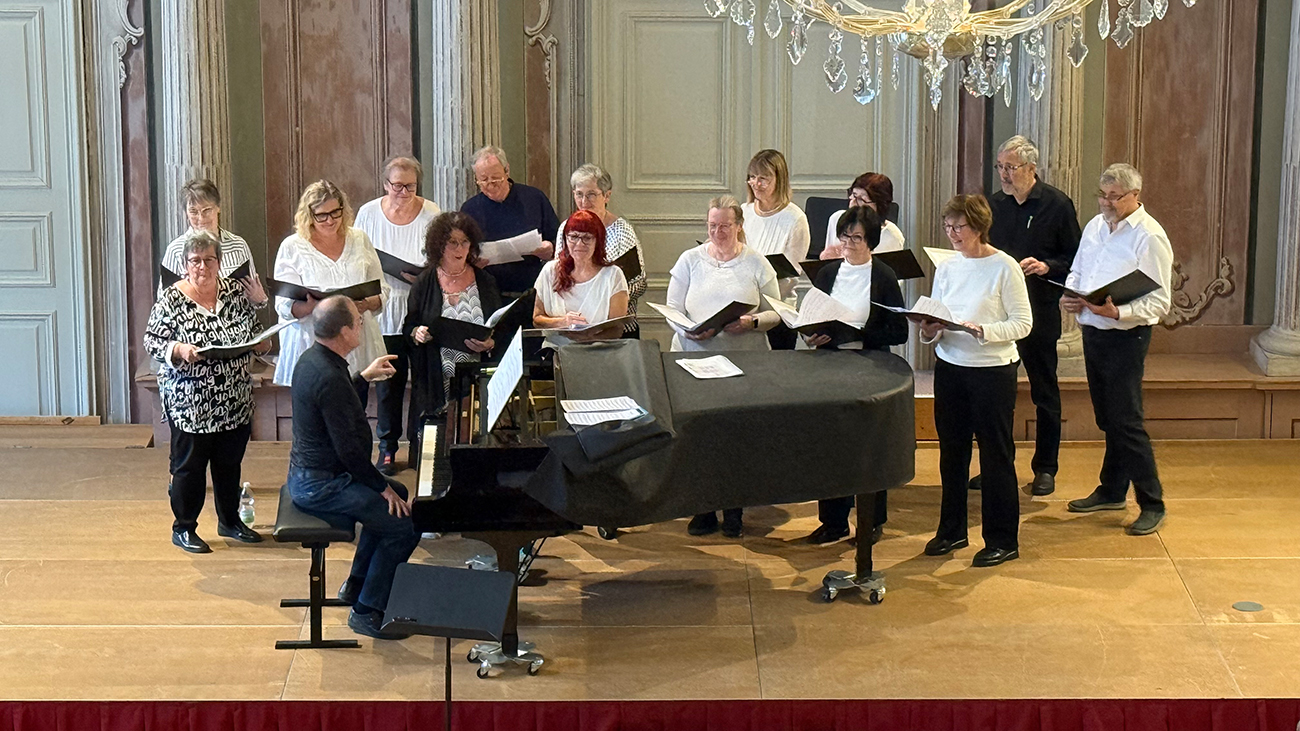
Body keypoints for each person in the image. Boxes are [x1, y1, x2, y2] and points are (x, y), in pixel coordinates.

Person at [287, 296, 420, 640]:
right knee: (404, 525)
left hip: (316, 474)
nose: (361, 324)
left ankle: (357, 584)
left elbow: (335, 403)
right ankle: (366, 611)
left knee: (397, 496)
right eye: (358, 321)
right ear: (344, 331)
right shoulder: (328, 376)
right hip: (321, 485)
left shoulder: (314, 359)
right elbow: (349, 453)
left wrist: (363, 377)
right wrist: (381, 487)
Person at [920, 194, 1033, 568]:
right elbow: (938, 314)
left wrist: (982, 330)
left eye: (959, 226)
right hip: (951, 367)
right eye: (947, 226)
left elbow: (1023, 323)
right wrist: (930, 329)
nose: (952, 233)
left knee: (995, 454)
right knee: (952, 453)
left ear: (979, 227)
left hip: (992, 371)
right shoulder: (948, 267)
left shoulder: (1005, 267)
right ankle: (952, 530)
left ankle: (1002, 539)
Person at [1063, 164, 1174, 536]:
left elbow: (1159, 302)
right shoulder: (1095, 226)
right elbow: (1079, 270)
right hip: (1093, 332)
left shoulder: (1149, 236)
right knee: (1107, 418)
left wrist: (1119, 312)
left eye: (1115, 197)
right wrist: (1072, 294)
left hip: (1127, 336)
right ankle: (1112, 490)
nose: (1107, 203)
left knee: (1126, 421)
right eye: (1103, 195)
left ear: (1135, 196)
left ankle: (1152, 502)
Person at [144, 232, 270, 553]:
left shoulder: (234, 293)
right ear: (185, 264)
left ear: (219, 262)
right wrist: (179, 349)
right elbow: (152, 341)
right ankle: (184, 527)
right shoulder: (171, 298)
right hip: (191, 401)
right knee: (190, 468)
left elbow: (255, 332)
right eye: (196, 261)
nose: (202, 267)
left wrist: (262, 343)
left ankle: (230, 521)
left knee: (229, 465)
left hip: (234, 398)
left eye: (209, 260)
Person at [668, 195, 781, 538]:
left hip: (743, 363)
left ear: (739, 226)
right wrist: (689, 330)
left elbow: (778, 312)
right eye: (712, 226)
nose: (717, 232)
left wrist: (752, 321)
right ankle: (702, 508)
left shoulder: (756, 262)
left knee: (736, 437)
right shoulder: (690, 260)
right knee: (698, 435)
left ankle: (734, 509)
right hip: (695, 360)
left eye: (725, 226)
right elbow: (673, 309)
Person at [978, 135, 1082, 497]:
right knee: (998, 394)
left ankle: (1046, 468)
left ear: (1031, 168)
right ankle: (997, 466)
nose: (1004, 174)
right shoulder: (993, 205)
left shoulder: (1057, 204)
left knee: (1044, 391)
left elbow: (1075, 259)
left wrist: (1047, 265)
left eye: (1011, 167)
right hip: (999, 312)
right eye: (1001, 167)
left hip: (1038, 309)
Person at [802, 206, 909, 545]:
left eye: (857, 238)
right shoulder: (827, 274)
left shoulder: (884, 276)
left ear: (871, 241)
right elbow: (811, 318)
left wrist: (862, 333)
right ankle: (833, 521)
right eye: (844, 236)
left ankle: (872, 520)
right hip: (831, 366)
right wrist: (812, 336)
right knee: (830, 443)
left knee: (869, 445)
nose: (848, 243)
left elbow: (900, 331)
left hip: (870, 368)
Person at [354, 156, 441, 475]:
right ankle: (387, 448)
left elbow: (441, 258)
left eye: (410, 186)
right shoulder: (368, 214)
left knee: (424, 383)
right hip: (383, 312)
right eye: (397, 186)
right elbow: (358, 258)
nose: (403, 192)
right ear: (385, 184)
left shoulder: (432, 213)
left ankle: (421, 447)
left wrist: (423, 274)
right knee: (388, 384)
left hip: (420, 311)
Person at [272, 180, 389, 404]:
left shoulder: (359, 239)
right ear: (309, 215)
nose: (330, 220)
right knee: (315, 415)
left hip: (353, 342)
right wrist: (312, 306)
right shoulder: (293, 246)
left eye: (336, 212)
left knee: (354, 410)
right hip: (312, 343)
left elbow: (382, 289)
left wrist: (366, 303)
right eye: (322, 215)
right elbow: (284, 304)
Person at [403, 212, 501, 463]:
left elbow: (501, 327)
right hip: (436, 376)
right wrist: (417, 332)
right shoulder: (425, 282)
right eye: (452, 242)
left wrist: (491, 342)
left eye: (465, 242)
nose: (459, 249)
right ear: (439, 245)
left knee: (474, 451)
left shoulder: (485, 281)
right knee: (438, 449)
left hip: (476, 377)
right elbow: (409, 326)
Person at [557, 164, 646, 338]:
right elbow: (559, 273)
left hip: (616, 331)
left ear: (607, 196)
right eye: (579, 194)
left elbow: (640, 283)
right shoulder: (565, 229)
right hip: (575, 329)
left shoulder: (621, 232)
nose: (584, 202)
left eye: (591, 194)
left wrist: (605, 299)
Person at [460, 146, 559, 295]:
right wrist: (472, 263)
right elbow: (460, 253)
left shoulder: (533, 198)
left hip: (531, 290)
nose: (490, 184)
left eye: (495, 178)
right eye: (484, 180)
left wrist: (550, 249)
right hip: (488, 293)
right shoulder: (469, 209)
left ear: (507, 171)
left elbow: (559, 239)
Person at [741, 149, 811, 350]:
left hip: (778, 311)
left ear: (779, 180)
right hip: (744, 306)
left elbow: (790, 274)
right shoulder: (744, 211)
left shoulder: (795, 219)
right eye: (752, 177)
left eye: (763, 178)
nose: (756, 183)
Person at [159, 179, 268, 308]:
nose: (201, 218)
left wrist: (259, 299)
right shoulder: (175, 250)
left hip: (234, 318)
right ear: (186, 214)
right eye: (193, 212)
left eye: (206, 210)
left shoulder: (238, 246)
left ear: (218, 208)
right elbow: (162, 303)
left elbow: (254, 299)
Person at [533, 209, 629, 344]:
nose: (579, 244)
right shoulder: (550, 271)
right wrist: (563, 322)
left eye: (587, 238)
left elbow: (617, 329)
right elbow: (537, 319)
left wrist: (586, 339)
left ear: (598, 241)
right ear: (565, 239)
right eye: (573, 237)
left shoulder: (613, 275)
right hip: (555, 351)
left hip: (599, 350)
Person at [819, 172, 906, 259]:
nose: (853, 203)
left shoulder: (891, 235)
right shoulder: (836, 218)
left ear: (880, 205)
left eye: (861, 199)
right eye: (853, 195)